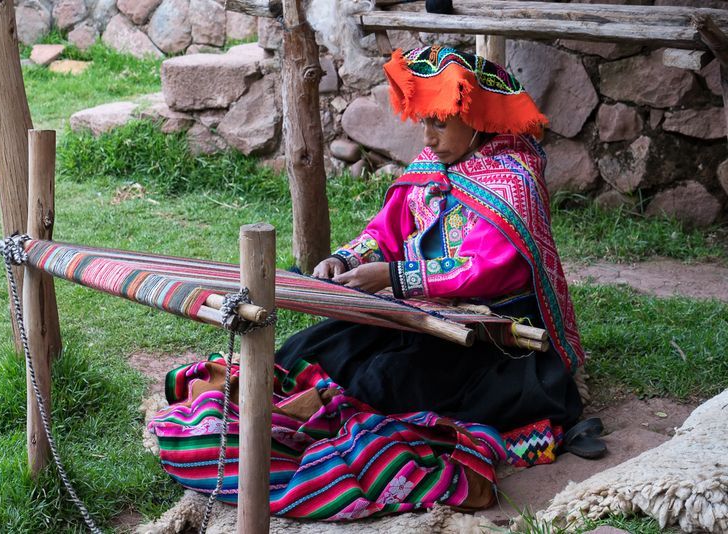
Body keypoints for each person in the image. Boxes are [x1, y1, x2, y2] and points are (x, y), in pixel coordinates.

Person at [149, 45, 594, 521]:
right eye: (424, 121)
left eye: (439, 122)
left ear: (477, 115)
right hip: (418, 312)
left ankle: (324, 425)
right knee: (307, 351)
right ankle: (302, 408)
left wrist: (395, 277)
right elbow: (387, 230)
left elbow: (491, 268)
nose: (427, 136)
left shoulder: (513, 178)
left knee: (382, 382)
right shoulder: (434, 165)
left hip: (493, 336)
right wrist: (345, 260)